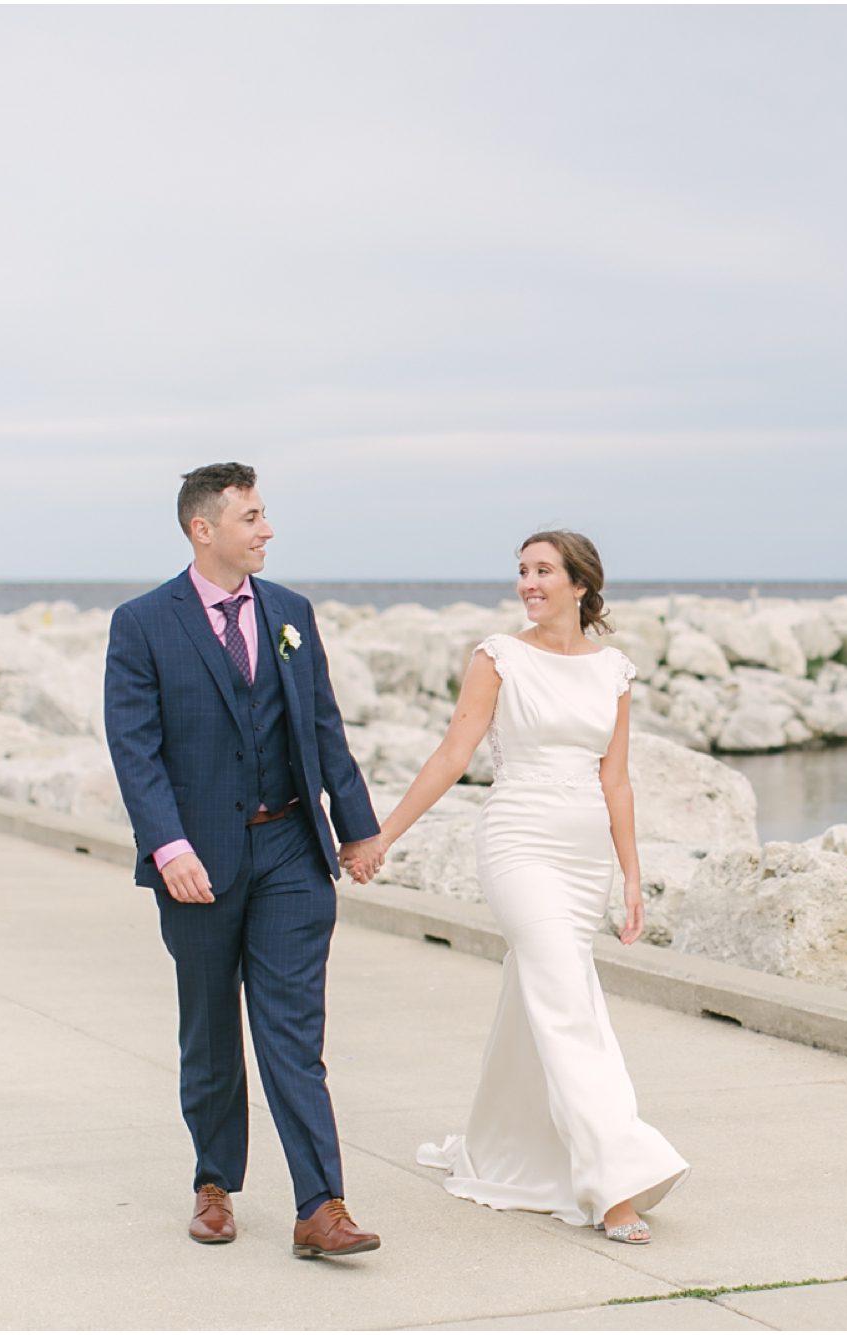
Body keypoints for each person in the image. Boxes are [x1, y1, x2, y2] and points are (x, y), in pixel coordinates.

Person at [102, 462, 389, 1260]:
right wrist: (169, 846)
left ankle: (320, 1205)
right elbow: (134, 747)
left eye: (264, 515)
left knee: (293, 1030)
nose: (267, 529)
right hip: (196, 860)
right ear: (205, 529)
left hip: (291, 846)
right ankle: (214, 1182)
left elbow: (323, 725)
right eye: (252, 517)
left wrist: (357, 827)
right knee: (211, 1030)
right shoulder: (142, 623)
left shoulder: (290, 613)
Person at [372, 530, 689, 1244]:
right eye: (522, 571)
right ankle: (616, 1180)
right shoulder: (498, 657)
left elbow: (616, 779)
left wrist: (632, 875)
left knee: (541, 994)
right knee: (568, 1001)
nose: (528, 583)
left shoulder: (613, 670)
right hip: (518, 842)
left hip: (585, 857)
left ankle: (508, 1149)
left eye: (544, 571)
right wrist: (384, 835)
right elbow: (453, 754)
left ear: (581, 585)